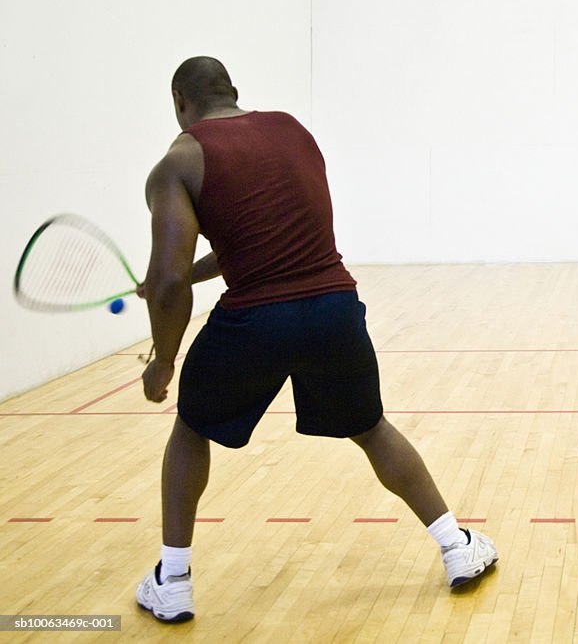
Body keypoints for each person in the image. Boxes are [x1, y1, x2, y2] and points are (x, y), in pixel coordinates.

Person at [134, 57, 497, 623]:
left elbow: (170, 282)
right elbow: (261, 236)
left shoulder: (176, 163)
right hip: (333, 310)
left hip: (254, 322)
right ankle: (457, 547)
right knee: (371, 428)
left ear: (179, 101)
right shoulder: (291, 130)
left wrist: (163, 360)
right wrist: (168, 279)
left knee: (191, 429)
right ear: (233, 91)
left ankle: (173, 580)